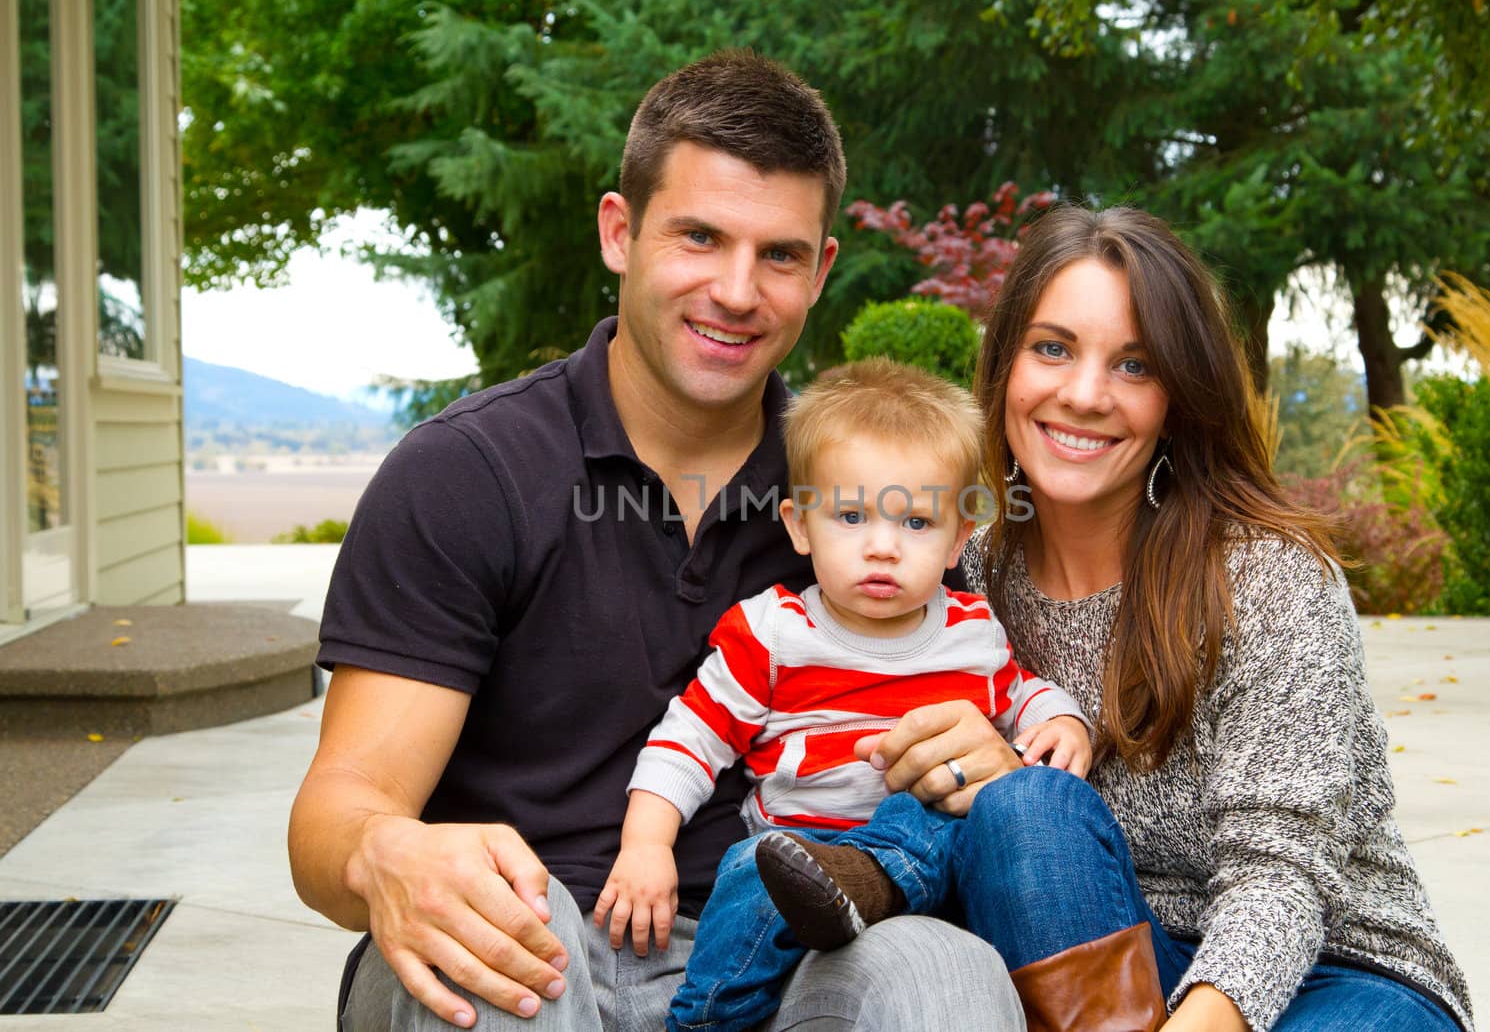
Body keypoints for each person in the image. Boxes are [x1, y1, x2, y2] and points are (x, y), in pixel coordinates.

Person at [287, 50, 1026, 1032]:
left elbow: (977, 718)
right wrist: (381, 848)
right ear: (619, 232)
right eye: (699, 237)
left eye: (779, 254)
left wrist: (990, 763)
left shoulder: (875, 497)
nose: (735, 289)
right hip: (532, 937)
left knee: (942, 969)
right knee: (501, 937)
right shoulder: (466, 474)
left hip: (780, 946)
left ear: (820, 271)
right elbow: (338, 807)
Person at [933, 204, 1472, 1031]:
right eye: (1052, 348)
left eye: (1135, 365)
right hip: (1108, 973)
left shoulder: (1266, 577)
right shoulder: (964, 583)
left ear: (1179, 398)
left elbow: (1280, 879)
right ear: (1003, 364)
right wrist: (945, 774)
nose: (1083, 395)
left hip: (1334, 973)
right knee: (1021, 811)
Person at [591, 359, 1092, 1032]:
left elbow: (1021, 693)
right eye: (852, 516)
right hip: (800, 851)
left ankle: (872, 876)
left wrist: (1062, 717)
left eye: (915, 523)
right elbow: (687, 739)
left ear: (957, 539)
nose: (882, 547)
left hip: (929, 877)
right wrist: (646, 843)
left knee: (942, 815)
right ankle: (705, 1017)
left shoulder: (971, 632)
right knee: (748, 875)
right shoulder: (774, 634)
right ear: (800, 527)